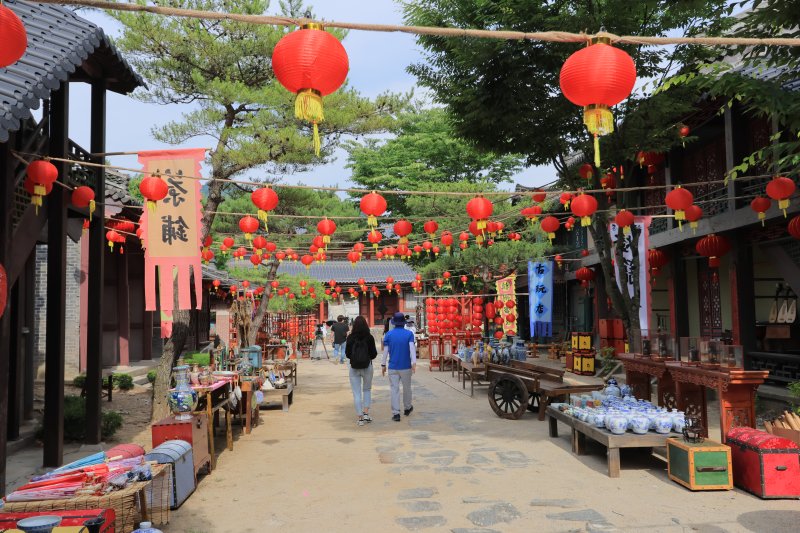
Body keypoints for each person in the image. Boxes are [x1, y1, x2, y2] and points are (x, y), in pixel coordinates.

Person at [381, 312, 416, 422]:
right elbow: (412, 349)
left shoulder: (389, 335)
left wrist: (383, 365)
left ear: (394, 323)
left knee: (394, 390)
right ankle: (407, 408)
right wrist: (413, 363)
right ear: (403, 322)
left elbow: (385, 351)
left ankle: (396, 413)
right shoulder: (409, 334)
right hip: (406, 366)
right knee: (407, 388)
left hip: (393, 366)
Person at [345, 316, 378, 426]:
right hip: (367, 366)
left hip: (354, 368)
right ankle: (366, 414)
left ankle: (360, 418)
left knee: (356, 393)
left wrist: (356, 358)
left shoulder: (350, 338)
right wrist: (366, 357)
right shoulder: (369, 337)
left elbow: (347, 354)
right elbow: (374, 354)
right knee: (367, 390)